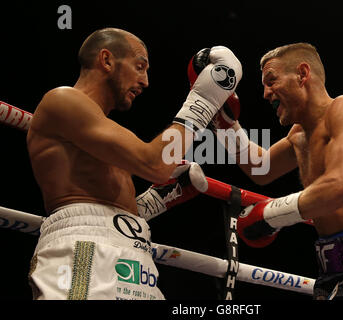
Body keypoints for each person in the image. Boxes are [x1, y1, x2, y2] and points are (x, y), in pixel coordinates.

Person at [26, 27, 242, 300]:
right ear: (106, 60)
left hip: (135, 254)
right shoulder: (62, 100)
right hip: (84, 248)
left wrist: (153, 201)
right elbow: (155, 165)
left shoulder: (102, 130)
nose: (146, 81)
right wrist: (203, 101)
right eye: (140, 67)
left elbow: (108, 203)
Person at [198, 43, 343, 300]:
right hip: (330, 271)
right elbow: (260, 168)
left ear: (302, 74)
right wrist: (225, 122)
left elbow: (342, 186)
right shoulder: (300, 134)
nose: (266, 93)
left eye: (271, 81)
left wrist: (271, 215)